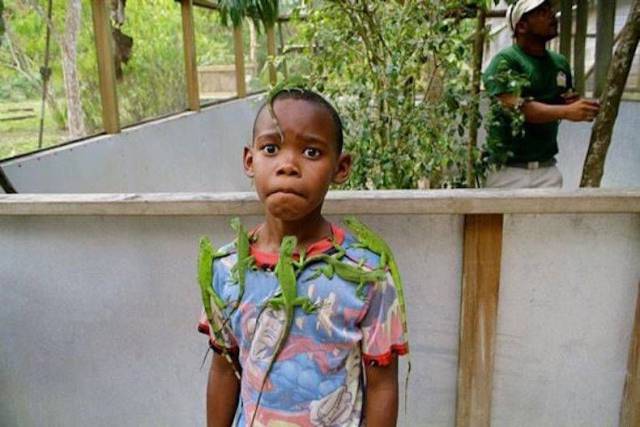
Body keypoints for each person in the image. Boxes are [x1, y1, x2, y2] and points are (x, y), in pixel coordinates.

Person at [197, 88, 408, 426]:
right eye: (271, 148)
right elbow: (224, 370)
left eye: (311, 151)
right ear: (250, 160)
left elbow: (382, 385)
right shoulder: (225, 269)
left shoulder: (367, 272)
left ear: (341, 167)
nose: (288, 166)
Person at [483, 0, 600, 188]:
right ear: (522, 26)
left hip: (547, 170)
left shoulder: (559, 63)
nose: (552, 15)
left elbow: (560, 103)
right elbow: (520, 109)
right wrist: (567, 111)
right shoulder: (505, 62)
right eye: (541, 12)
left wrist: (580, 107)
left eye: (550, 10)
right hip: (507, 172)